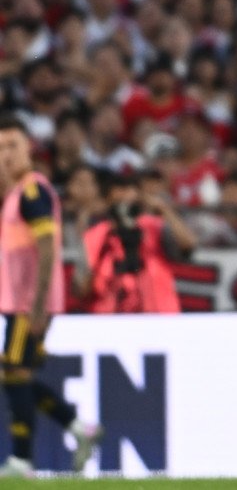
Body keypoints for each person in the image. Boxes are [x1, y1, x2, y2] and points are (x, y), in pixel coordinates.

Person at [0, 116, 102, 477]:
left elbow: (47, 247)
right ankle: (78, 427)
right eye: (1, 148)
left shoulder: (32, 191)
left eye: (13, 145)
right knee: (18, 374)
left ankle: (22, 460)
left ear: (29, 148)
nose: (6, 154)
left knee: (13, 373)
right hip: (22, 301)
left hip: (27, 303)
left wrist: (39, 304)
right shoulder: (17, 193)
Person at [79, 171, 197, 313]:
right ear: (106, 201)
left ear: (139, 199)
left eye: (129, 198)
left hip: (157, 314)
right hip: (111, 317)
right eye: (118, 201)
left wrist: (164, 209)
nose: (124, 207)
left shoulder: (153, 226)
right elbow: (80, 290)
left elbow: (188, 245)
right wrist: (103, 253)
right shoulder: (96, 235)